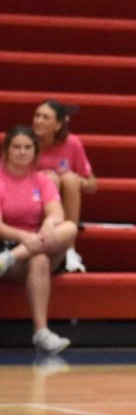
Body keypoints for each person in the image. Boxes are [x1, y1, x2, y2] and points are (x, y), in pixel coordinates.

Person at [0, 126, 79, 354]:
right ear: (7, 150)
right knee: (40, 259)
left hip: (35, 244)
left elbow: (56, 212)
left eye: (27, 147)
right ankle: (42, 331)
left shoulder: (42, 180)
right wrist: (24, 236)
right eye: (17, 147)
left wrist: (47, 223)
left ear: (35, 152)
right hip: (10, 241)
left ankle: (41, 334)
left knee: (68, 228)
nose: (22, 152)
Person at [31, 100, 95, 273]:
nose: (39, 121)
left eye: (45, 117)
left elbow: (92, 184)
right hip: (32, 198)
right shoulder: (26, 142)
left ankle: (69, 249)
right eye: (37, 116)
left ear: (58, 124)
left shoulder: (72, 143)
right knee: (50, 179)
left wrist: (77, 179)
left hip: (63, 200)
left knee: (68, 179)